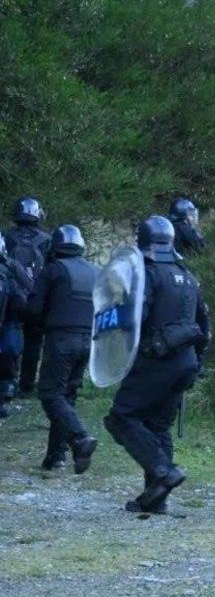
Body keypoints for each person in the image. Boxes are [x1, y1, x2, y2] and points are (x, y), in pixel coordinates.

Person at [104, 216, 210, 513]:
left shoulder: (148, 274)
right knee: (158, 425)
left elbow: (136, 318)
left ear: (143, 241)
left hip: (156, 359)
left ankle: (163, 471)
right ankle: (156, 498)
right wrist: (197, 363)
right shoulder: (187, 275)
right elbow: (205, 324)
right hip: (185, 361)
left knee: (121, 418)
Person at [27, 225, 99, 472]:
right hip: (88, 342)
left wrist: (40, 328)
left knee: (50, 393)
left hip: (60, 340)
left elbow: (34, 309)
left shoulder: (53, 270)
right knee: (66, 397)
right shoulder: (95, 272)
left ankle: (80, 439)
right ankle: (56, 457)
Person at [5, 197, 51, 398]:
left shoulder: (5, 236)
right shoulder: (47, 239)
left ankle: (7, 382)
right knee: (33, 342)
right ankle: (26, 386)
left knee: (7, 337)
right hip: (35, 298)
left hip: (9, 297)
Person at [0, 235, 29, 419]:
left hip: (9, 319)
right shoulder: (13, 266)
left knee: (8, 352)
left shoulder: (11, 267)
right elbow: (29, 287)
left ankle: (6, 389)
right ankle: (6, 389)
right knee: (9, 354)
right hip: (10, 320)